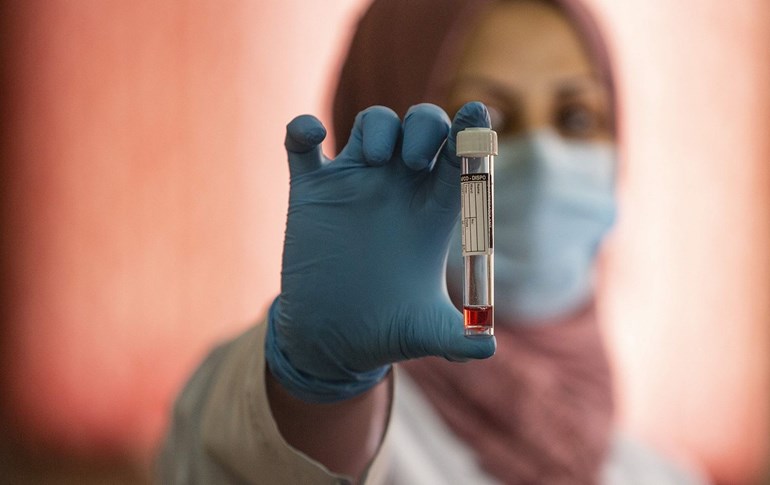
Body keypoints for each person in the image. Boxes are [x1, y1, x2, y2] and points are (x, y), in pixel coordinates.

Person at [158, 0, 708, 483]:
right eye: (490, 120)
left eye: (577, 116)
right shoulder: (343, 426)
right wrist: (317, 391)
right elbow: (244, 464)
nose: (543, 158)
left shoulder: (662, 475)